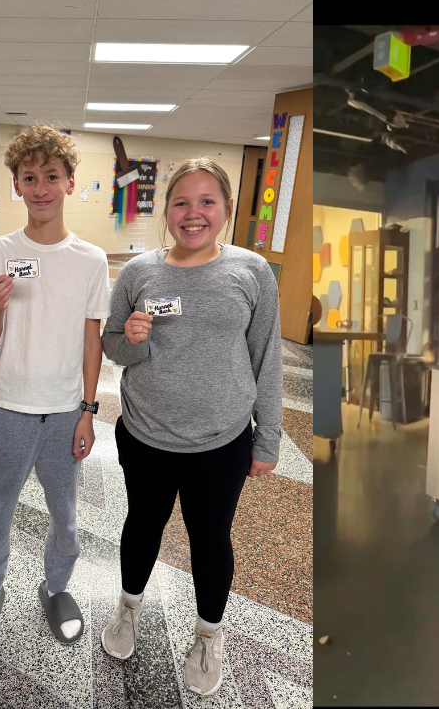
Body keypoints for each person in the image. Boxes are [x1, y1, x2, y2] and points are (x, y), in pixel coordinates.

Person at [99, 158, 283, 697]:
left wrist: (267, 436)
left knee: (210, 540)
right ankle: (128, 608)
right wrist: (132, 338)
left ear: (226, 209)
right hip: (146, 434)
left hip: (220, 442)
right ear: (166, 209)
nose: (193, 213)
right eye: (182, 201)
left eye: (207, 202)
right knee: (142, 526)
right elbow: (114, 347)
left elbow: (267, 357)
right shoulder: (139, 273)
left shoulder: (252, 271)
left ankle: (209, 635)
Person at [0, 125, 109, 651]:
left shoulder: (91, 260)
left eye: (52, 175)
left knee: (65, 512)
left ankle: (56, 586)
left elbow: (92, 337)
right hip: (8, 405)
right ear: (17, 186)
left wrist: (89, 410)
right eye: (30, 177)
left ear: (71, 183)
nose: (41, 186)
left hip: (66, 409)